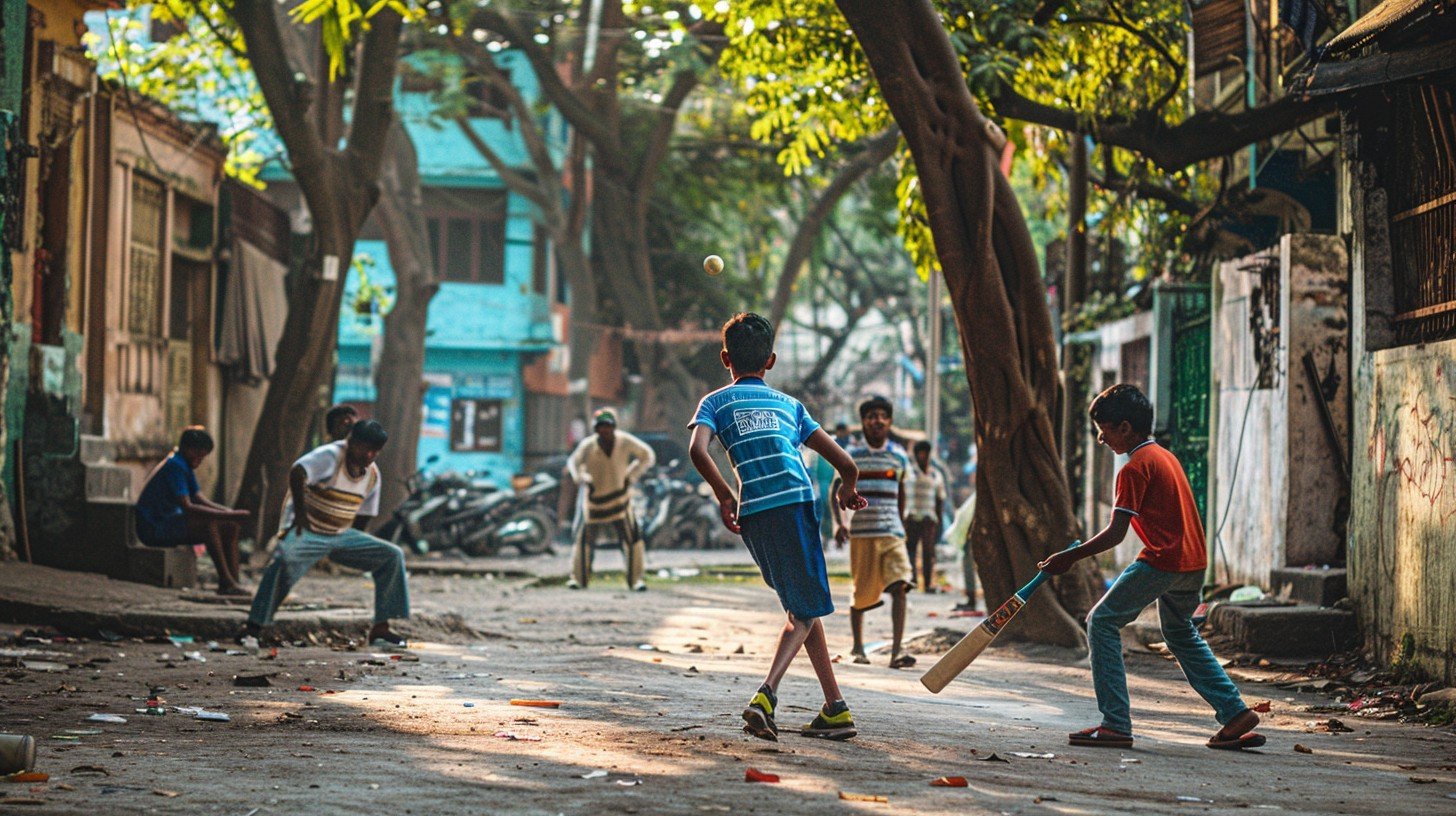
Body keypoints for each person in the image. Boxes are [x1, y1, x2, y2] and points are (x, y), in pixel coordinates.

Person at [1039, 384, 1265, 751]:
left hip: (1164, 560)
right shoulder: (1165, 456)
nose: (1100, 437)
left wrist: (1070, 556)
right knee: (1180, 634)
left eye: (1105, 428)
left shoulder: (1134, 468)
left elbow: (1115, 534)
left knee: (1101, 621)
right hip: (1193, 562)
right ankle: (1234, 711)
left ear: (1126, 428)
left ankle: (1115, 723)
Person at [689, 312, 866, 742]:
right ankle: (766, 695)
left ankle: (835, 709)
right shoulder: (791, 406)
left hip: (755, 512)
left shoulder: (714, 402)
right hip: (795, 505)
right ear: (771, 361)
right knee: (803, 607)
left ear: (725, 358)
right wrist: (847, 490)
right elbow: (846, 463)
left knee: (800, 603)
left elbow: (697, 450)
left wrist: (725, 494)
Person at [242, 420, 411, 650]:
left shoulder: (372, 475)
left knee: (392, 555)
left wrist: (354, 545)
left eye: (375, 451)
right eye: (364, 448)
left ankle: (381, 629)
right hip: (309, 530)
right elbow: (298, 471)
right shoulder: (331, 456)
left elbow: (364, 515)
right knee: (284, 560)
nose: (369, 455)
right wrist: (300, 516)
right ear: (352, 442)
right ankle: (253, 628)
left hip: (340, 534)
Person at [832, 396, 915, 669]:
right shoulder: (851, 457)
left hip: (892, 532)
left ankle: (897, 650)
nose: (877, 420)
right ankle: (858, 647)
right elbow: (836, 492)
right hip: (863, 532)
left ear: (889, 421)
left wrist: (901, 523)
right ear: (863, 421)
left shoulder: (899, 456)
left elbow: (901, 491)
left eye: (882, 415)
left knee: (901, 584)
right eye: (871, 416)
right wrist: (840, 523)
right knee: (862, 591)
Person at [135, 427, 251, 596]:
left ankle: (233, 581)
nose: (199, 460)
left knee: (230, 526)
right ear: (188, 449)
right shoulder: (175, 465)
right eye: (198, 455)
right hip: (155, 527)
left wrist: (230, 513)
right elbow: (189, 507)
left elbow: (199, 498)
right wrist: (228, 514)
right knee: (208, 525)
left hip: (171, 522)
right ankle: (225, 580)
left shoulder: (185, 465)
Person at [565, 408, 656, 591]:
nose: (604, 430)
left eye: (608, 426)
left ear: (613, 427)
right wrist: (582, 478)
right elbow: (573, 464)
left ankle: (636, 579)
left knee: (632, 539)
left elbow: (647, 455)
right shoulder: (588, 445)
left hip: (620, 499)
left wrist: (631, 475)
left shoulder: (624, 441)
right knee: (584, 541)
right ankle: (579, 578)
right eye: (601, 427)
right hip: (594, 501)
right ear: (595, 429)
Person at [903, 440, 947, 593]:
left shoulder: (936, 474)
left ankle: (928, 584)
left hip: (929, 518)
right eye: (921, 453)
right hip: (912, 516)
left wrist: (939, 518)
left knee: (928, 551)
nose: (924, 456)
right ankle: (912, 580)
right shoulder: (910, 472)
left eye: (926, 453)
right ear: (916, 455)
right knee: (911, 550)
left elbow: (940, 498)